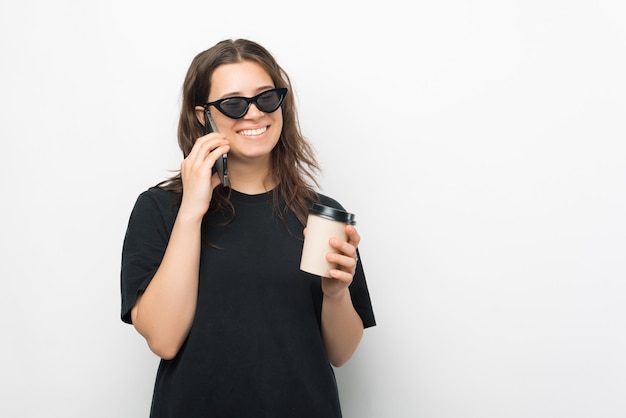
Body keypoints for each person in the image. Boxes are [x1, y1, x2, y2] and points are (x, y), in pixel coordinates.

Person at [120, 38, 376, 417]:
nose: (254, 114)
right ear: (201, 115)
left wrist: (337, 294)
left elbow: (340, 354)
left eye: (266, 98)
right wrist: (192, 211)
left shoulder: (322, 214)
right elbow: (163, 339)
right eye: (234, 104)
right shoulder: (159, 209)